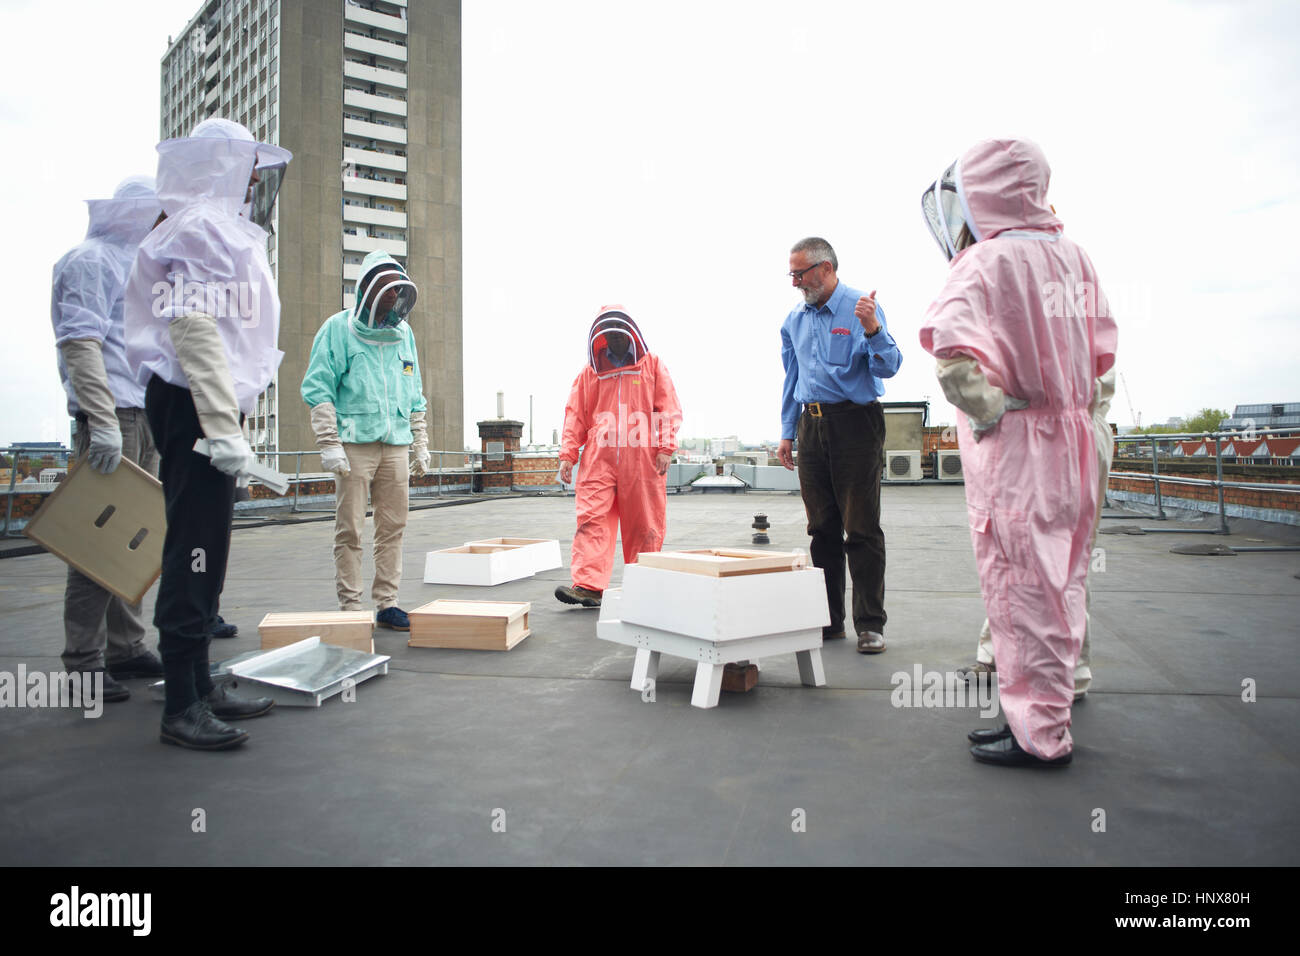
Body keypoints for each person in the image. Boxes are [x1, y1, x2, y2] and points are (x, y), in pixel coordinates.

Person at [918, 137, 1118, 767]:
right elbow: (1103, 358)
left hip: (1022, 448)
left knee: (1021, 587)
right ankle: (1048, 709)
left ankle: (1037, 734)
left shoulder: (983, 264)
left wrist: (992, 411)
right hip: (1080, 442)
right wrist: (1084, 418)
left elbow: (952, 357)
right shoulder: (1076, 257)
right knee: (1066, 579)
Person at [125, 117, 291, 750]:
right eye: (248, 168)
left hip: (204, 402)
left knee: (207, 544)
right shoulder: (200, 228)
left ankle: (197, 681)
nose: (254, 181)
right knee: (193, 545)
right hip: (197, 402)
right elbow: (195, 329)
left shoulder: (209, 225)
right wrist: (222, 427)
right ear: (222, 166)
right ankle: (182, 703)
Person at [51, 175, 165, 701]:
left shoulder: (136, 265)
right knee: (97, 545)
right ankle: (83, 662)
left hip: (140, 414)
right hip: (112, 417)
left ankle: (127, 646)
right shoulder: (89, 260)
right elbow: (80, 343)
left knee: (133, 541)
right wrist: (99, 419)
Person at [958, 368, 1116, 700]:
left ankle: (1069, 672)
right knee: (1017, 554)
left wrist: (995, 412)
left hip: (1057, 428)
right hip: (1056, 425)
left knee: (1063, 560)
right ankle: (1005, 657)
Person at [778, 238, 901, 653]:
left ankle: (870, 624)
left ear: (826, 268)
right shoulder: (793, 319)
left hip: (855, 423)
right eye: (791, 274)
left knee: (861, 528)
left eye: (801, 273)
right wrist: (786, 431)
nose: (795, 282)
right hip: (811, 426)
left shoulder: (861, 306)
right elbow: (791, 378)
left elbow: (890, 366)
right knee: (821, 529)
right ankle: (829, 621)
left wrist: (874, 330)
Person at [301, 250, 428, 630]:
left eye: (396, 293)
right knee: (350, 528)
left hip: (395, 445)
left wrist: (420, 441)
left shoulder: (404, 335)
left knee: (393, 527)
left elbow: (415, 391)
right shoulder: (337, 329)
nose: (392, 300)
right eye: (386, 293)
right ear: (369, 293)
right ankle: (351, 606)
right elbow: (318, 387)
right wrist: (329, 442)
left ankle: (387, 602)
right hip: (354, 446)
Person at [555, 306, 682, 608]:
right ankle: (588, 586)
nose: (613, 339)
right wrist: (568, 455)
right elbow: (576, 415)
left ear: (630, 334)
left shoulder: (651, 366)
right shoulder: (591, 373)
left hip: (643, 458)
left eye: (617, 333)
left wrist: (665, 447)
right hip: (599, 458)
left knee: (645, 524)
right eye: (608, 334)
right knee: (592, 520)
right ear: (601, 338)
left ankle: (644, 584)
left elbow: (667, 407)